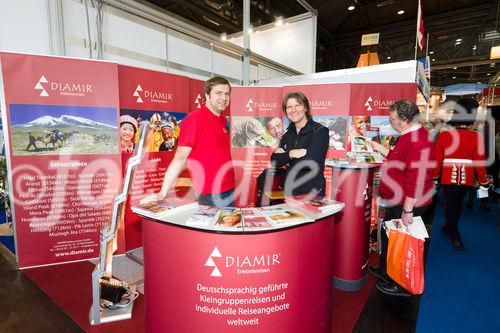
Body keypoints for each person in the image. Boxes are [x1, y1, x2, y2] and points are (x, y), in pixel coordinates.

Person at [368, 99, 435, 297]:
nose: (391, 122)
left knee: (403, 244)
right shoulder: (409, 136)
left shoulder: (418, 141)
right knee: (390, 237)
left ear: (404, 119)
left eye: (392, 118)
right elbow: (401, 160)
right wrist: (380, 149)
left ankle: (401, 284)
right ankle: (387, 272)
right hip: (397, 200)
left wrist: (408, 210)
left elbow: (417, 179)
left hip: (406, 202)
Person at [144, 76, 235, 207]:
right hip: (211, 194)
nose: (224, 98)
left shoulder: (222, 120)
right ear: (207, 95)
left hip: (230, 188)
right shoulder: (194, 119)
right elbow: (180, 158)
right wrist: (162, 192)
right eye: (218, 93)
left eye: (227, 93)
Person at [433, 98, 489, 250]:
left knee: (451, 206)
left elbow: (437, 160)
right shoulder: (477, 136)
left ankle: (453, 232)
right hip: (467, 180)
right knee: (456, 205)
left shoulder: (444, 135)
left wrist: (434, 177)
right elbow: (480, 163)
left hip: (447, 178)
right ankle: (452, 230)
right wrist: (484, 182)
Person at [270, 91, 329, 196]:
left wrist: (286, 159)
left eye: (297, 105)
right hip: (288, 191)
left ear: (305, 108)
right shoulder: (287, 135)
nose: (293, 110)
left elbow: (310, 162)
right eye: (289, 107)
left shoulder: (320, 131)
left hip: (312, 193)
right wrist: (291, 154)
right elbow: (274, 161)